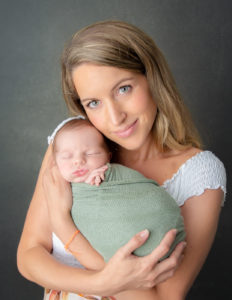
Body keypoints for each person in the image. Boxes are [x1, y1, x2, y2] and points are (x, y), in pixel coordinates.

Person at [17, 20, 226, 300]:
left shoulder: (200, 174)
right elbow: (29, 257)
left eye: (123, 89)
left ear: (152, 78)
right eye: (94, 103)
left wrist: (62, 223)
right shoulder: (73, 145)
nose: (115, 118)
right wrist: (102, 283)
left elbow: (161, 299)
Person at [48, 116, 185, 271]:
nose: (78, 161)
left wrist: (105, 176)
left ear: (108, 157)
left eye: (91, 153)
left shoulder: (108, 174)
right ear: (55, 161)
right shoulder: (53, 183)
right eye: (67, 157)